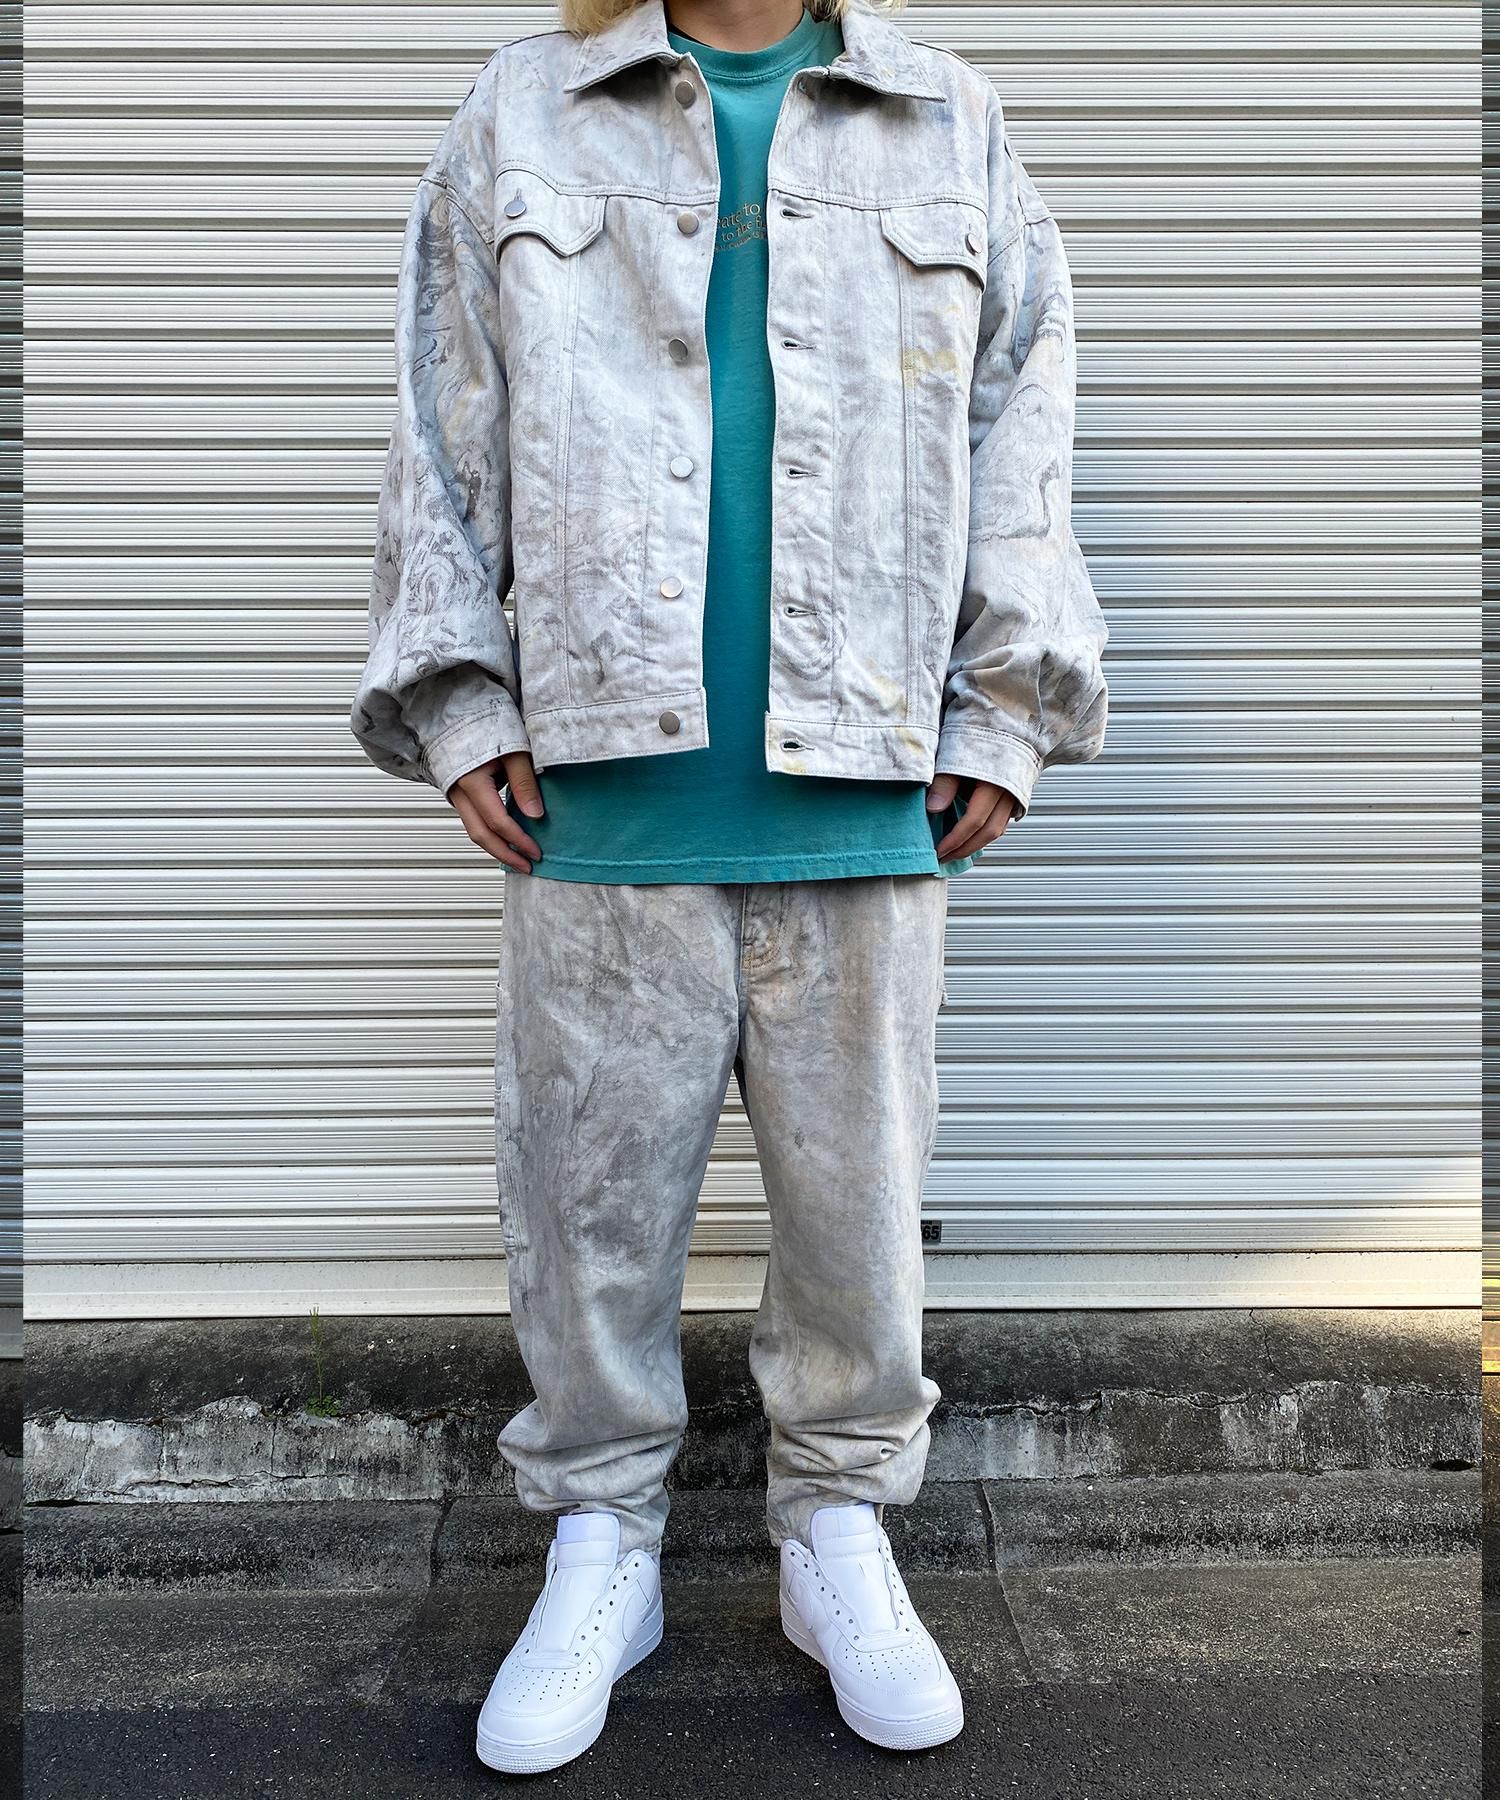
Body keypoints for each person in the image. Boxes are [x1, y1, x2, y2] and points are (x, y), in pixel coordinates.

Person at [351, 0, 1107, 1772]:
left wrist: (1004, 710)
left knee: (859, 1227)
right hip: (603, 799)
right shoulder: (527, 109)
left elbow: (1024, 420)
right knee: (586, 1221)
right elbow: (441, 416)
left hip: (865, 788)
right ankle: (599, 1543)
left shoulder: (947, 117)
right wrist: (459, 700)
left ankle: (837, 1533)